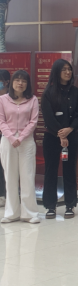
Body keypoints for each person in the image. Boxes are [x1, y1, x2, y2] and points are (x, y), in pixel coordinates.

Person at [41, 59, 78, 219]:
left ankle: (70, 205)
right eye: (64, 69)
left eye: (69, 69)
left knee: (70, 170)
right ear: (56, 71)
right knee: (50, 170)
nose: (68, 72)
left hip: (71, 136)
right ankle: (50, 206)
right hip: (52, 137)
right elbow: (48, 116)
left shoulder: (76, 92)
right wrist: (61, 133)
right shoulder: (48, 93)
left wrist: (69, 130)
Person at [0, 71, 39, 223]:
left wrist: (21, 137)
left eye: (24, 81)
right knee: (10, 177)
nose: (20, 83)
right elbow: (1, 121)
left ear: (27, 84)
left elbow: (33, 122)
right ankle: (11, 213)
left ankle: (29, 214)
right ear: (11, 82)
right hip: (7, 141)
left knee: (27, 176)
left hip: (26, 142)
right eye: (17, 80)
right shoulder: (3, 99)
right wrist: (11, 137)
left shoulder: (33, 100)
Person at [0, 69, 10, 207]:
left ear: (7, 82)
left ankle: (4, 194)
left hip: (7, 136)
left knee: (5, 167)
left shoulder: (10, 98)